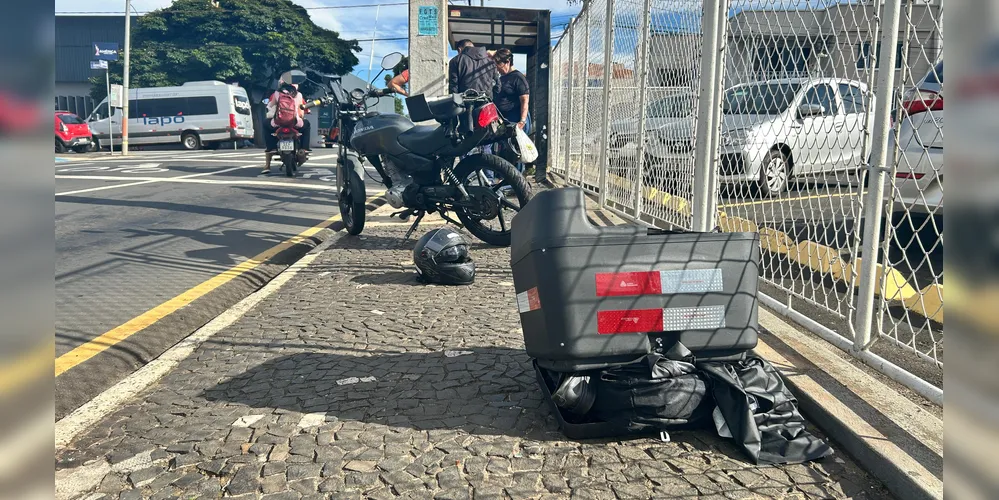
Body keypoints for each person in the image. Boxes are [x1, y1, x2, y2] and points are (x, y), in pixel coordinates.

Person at [492, 48, 532, 173]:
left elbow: (525, 100)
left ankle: (517, 182)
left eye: (499, 64)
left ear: (507, 62)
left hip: (516, 119)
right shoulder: (502, 78)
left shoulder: (518, 78)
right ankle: (506, 180)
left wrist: (522, 120)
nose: (497, 68)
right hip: (505, 120)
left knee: (516, 152)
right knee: (504, 151)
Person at [262, 77, 312, 175]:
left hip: (278, 123)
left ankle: (271, 147)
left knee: (265, 124)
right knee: (307, 125)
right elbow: (302, 113)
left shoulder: (276, 94)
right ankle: (304, 148)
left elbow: (269, 106)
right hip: (295, 123)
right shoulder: (299, 95)